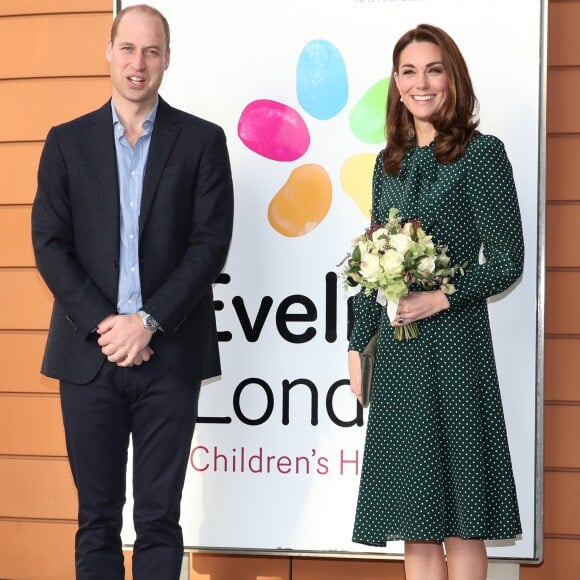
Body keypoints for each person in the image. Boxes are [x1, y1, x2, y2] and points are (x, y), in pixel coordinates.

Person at [31, 5, 234, 579]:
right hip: (87, 358)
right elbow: (49, 244)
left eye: (151, 51)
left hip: (169, 355)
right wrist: (108, 323)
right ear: (109, 51)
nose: (138, 63)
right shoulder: (66, 143)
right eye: (128, 49)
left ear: (167, 59)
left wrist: (147, 321)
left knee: (159, 519)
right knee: (95, 519)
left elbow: (209, 246)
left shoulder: (201, 142)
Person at [347, 24, 523, 580]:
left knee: (462, 522)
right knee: (415, 522)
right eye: (409, 71)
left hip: (456, 353)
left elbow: (508, 260)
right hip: (399, 360)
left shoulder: (481, 155)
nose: (421, 83)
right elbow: (373, 261)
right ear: (396, 85)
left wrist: (441, 298)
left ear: (453, 78)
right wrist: (357, 344)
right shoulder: (387, 165)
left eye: (433, 69)